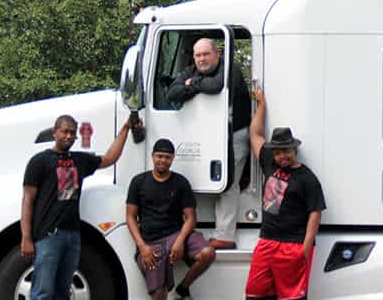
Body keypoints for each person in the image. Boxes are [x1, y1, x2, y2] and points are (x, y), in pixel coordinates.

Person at [21, 113, 137, 300]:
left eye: (72, 133)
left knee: (63, 292)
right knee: (42, 292)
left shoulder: (79, 161)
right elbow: (28, 200)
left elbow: (109, 159)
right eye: (65, 132)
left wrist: (125, 128)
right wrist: (26, 237)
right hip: (48, 235)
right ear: (55, 132)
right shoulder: (39, 161)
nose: (69, 136)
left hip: (73, 235)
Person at [167, 37, 251, 248]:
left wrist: (193, 84)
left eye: (206, 54)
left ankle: (224, 236)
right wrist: (193, 85)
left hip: (236, 134)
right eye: (198, 55)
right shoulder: (190, 71)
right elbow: (172, 92)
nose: (201, 59)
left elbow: (216, 86)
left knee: (228, 182)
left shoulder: (230, 69)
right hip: (206, 135)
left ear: (217, 54)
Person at [245, 89, 326, 300]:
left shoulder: (307, 178)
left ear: (294, 151)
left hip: (293, 245)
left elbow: (315, 214)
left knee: (291, 298)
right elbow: (255, 134)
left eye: (287, 151)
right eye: (279, 152)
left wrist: (305, 248)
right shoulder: (268, 163)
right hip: (267, 242)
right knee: (255, 294)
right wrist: (261, 104)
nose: (283, 156)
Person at [126, 138, 216, 300]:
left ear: (172, 159)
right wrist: (142, 247)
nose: (162, 160)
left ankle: (183, 288)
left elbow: (190, 218)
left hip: (176, 234)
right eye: (159, 156)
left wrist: (180, 241)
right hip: (150, 242)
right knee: (159, 294)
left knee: (207, 252)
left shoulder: (180, 183)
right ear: (152, 156)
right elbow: (130, 217)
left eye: (167, 157)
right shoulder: (139, 182)